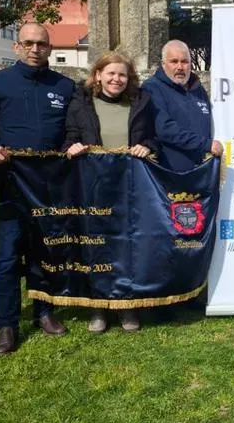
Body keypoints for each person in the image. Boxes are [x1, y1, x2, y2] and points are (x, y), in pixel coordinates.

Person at [0, 22, 77, 354]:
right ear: (17, 47)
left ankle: (44, 311)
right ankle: (7, 324)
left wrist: (70, 145)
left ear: (50, 48)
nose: (35, 49)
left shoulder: (64, 86)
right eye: (29, 43)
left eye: (42, 44)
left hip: (51, 185)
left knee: (44, 251)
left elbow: (72, 130)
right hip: (13, 183)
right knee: (8, 255)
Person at [63, 51, 157, 333]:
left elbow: (153, 137)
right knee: (96, 246)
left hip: (130, 187)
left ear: (129, 78)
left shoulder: (141, 102)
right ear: (98, 75)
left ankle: (127, 306)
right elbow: (69, 137)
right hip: (93, 187)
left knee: (128, 246)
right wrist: (71, 147)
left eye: (122, 74)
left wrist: (147, 146)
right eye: (111, 73)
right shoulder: (81, 103)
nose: (116, 79)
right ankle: (98, 307)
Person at [142, 40, 223, 171]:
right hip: (169, 173)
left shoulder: (198, 89)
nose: (180, 67)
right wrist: (206, 145)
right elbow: (165, 129)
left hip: (201, 171)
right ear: (163, 64)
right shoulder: (152, 88)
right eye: (174, 61)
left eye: (184, 61)